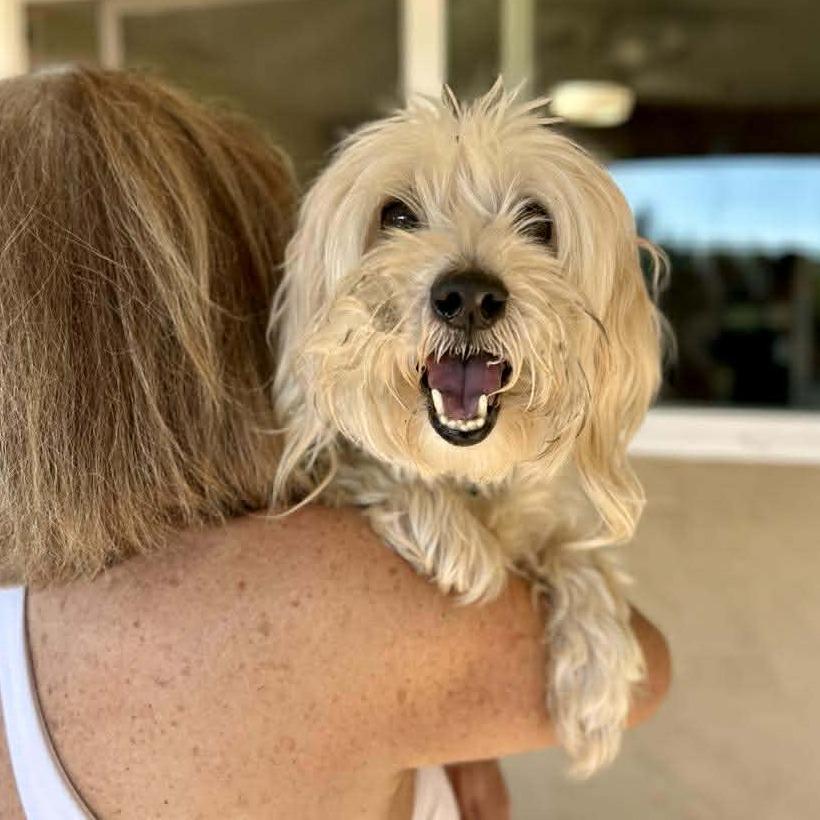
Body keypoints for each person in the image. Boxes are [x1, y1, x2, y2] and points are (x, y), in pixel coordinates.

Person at [0, 66, 670, 819]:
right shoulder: (331, 586)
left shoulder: (22, 610)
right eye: (399, 217)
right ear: (249, 294)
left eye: (537, 226)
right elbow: (642, 678)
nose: (467, 282)